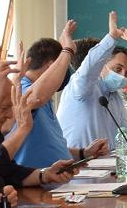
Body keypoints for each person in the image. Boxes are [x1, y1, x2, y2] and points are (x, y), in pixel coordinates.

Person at [0, 57, 80, 190]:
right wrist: (22, 129)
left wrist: (45, 174)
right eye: (4, 108)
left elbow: (10, 171)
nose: (9, 115)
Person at [56, 11, 127, 150]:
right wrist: (111, 37)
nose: (123, 76)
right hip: (76, 166)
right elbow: (89, 67)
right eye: (118, 69)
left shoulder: (115, 96)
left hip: (105, 166)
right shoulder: (82, 86)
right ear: (102, 66)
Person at [15, 20, 107, 170]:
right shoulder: (22, 89)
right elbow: (34, 99)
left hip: (56, 180)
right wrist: (67, 51)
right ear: (52, 66)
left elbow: (50, 145)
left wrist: (84, 153)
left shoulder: (46, 97)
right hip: (34, 182)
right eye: (65, 66)